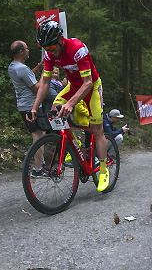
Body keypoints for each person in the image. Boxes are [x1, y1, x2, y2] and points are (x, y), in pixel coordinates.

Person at [28, 20, 109, 192]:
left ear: (60, 39)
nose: (50, 51)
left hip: (91, 87)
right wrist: (35, 107)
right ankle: (74, 146)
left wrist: (71, 103)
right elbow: (44, 83)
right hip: (73, 86)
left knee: (97, 129)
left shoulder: (78, 49)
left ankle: (103, 169)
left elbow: (87, 83)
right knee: (54, 110)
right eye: (46, 48)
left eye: (51, 47)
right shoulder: (49, 55)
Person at [8, 40, 56, 177]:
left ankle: (41, 164)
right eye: (27, 48)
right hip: (31, 106)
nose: (28, 50)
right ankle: (37, 169)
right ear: (21, 52)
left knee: (41, 134)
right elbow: (37, 88)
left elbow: (28, 76)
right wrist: (45, 74)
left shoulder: (13, 66)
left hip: (24, 106)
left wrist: (39, 67)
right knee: (38, 137)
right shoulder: (21, 68)